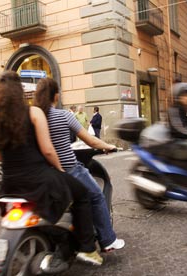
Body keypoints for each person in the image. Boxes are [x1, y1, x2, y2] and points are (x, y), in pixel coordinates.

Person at [0, 71, 103, 266]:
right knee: (82, 194)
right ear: (20, 91)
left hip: (10, 183)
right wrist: (60, 171)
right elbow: (48, 150)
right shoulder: (33, 112)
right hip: (38, 178)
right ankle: (88, 249)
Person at [33, 78, 125, 252]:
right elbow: (91, 140)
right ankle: (108, 239)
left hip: (44, 173)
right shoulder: (64, 115)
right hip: (69, 169)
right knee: (96, 196)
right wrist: (109, 146)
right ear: (56, 96)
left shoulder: (35, 117)